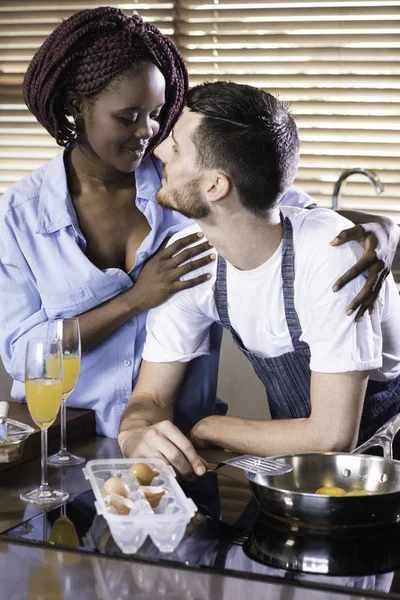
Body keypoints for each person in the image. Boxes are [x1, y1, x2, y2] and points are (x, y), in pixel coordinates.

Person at [0, 7, 396, 438]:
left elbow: (273, 200)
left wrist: (384, 227)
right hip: (62, 438)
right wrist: (135, 300)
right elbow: (23, 355)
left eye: (156, 112)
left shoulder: (186, 183)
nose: (149, 132)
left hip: (180, 440)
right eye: (128, 117)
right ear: (77, 107)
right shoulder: (20, 218)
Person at [118, 81, 400, 479]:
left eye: (176, 147)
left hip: (381, 468)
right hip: (300, 471)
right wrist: (134, 432)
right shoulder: (192, 258)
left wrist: (208, 427)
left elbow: (333, 438)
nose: (158, 149)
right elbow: (151, 395)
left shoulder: (332, 252)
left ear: (216, 185)